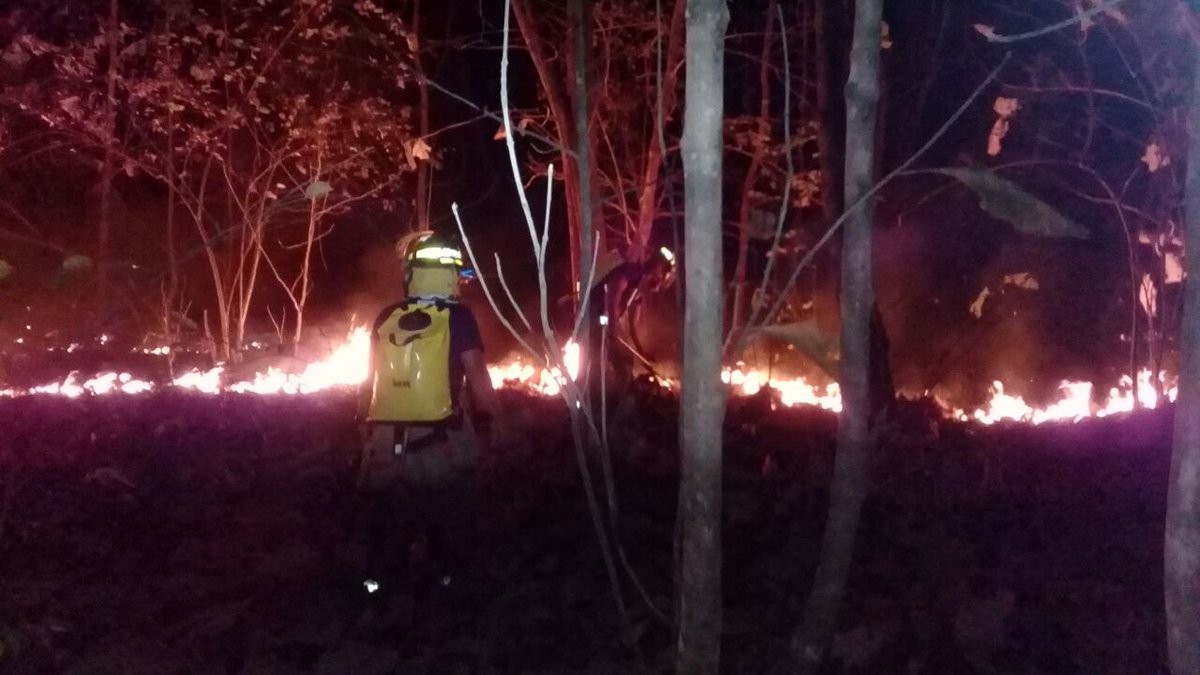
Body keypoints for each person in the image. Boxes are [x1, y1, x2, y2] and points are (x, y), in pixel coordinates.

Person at [350, 231, 502, 598]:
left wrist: (363, 436)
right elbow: (479, 380)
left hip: (386, 443)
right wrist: (496, 428)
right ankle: (444, 589)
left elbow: (370, 382)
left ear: (411, 274)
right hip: (442, 442)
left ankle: (377, 591)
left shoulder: (387, 316)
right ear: (452, 276)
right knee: (449, 517)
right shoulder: (459, 318)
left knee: (388, 520)